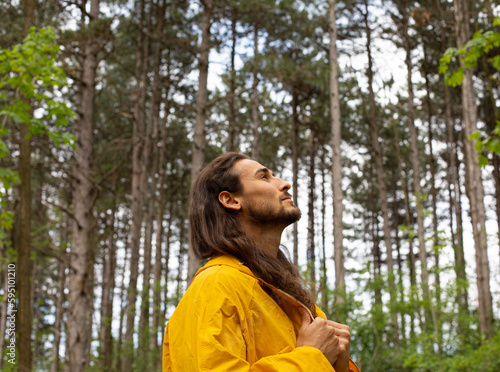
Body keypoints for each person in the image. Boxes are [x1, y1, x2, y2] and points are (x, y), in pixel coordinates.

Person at [163, 152, 360, 372]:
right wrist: (311, 358)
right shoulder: (215, 287)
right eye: (264, 177)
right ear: (231, 200)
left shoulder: (294, 301)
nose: (284, 184)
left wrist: (339, 367)